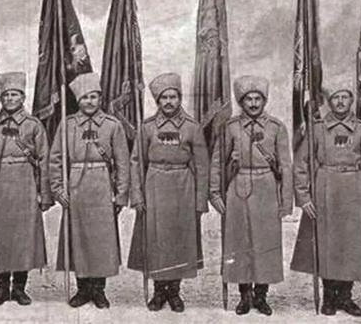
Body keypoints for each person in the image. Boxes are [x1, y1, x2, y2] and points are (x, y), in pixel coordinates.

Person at [290, 75, 361, 316]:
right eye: (335, 98)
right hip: (325, 191)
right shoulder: (317, 129)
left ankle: (346, 297)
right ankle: (329, 296)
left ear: (351, 100)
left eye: (345, 97)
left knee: (350, 245)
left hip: (354, 193)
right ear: (329, 102)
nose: (340, 102)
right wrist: (304, 198)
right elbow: (300, 165)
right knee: (327, 244)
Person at [209, 75, 293, 315]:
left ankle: (261, 295)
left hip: (267, 187)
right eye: (249, 99)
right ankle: (244, 295)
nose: (254, 103)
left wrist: (286, 200)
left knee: (266, 243)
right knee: (240, 242)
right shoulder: (230, 128)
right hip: (238, 187)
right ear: (241, 102)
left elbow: (286, 166)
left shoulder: (276, 127)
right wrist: (215, 193)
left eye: (258, 99)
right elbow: (217, 162)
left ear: (264, 100)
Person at [128, 73, 209, 312]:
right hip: (154, 186)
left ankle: (174, 291)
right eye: (164, 97)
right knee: (156, 239)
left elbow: (202, 165)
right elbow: (136, 162)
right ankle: (158, 291)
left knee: (179, 240)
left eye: (173, 96)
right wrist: (137, 196)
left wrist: (200, 201)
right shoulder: (147, 127)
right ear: (157, 101)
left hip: (183, 186)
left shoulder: (192, 127)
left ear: (180, 98)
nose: (169, 102)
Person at [0, 72, 52, 306]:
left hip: (25, 188)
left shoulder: (33, 125)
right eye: (6, 95)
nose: (10, 99)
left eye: (15, 94)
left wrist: (44, 194)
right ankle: (2, 287)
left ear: (23, 97)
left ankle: (19, 288)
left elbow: (44, 161)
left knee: (23, 237)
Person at [49, 72, 130, 309]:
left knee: (101, 240)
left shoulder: (113, 125)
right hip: (76, 187)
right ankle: (83, 288)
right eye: (84, 97)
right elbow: (55, 158)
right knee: (78, 239)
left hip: (103, 187)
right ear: (78, 100)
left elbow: (123, 162)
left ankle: (99, 289)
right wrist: (58, 189)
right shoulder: (68, 125)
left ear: (100, 98)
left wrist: (121, 194)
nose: (89, 102)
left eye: (94, 97)